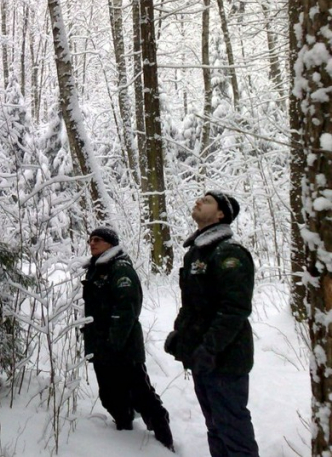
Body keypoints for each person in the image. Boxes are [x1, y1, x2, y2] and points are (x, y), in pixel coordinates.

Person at [165, 191, 259, 457]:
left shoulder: (230, 253)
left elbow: (235, 309)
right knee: (215, 426)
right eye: (198, 198)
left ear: (221, 214)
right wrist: (180, 335)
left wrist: (210, 348)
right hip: (202, 358)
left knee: (233, 428)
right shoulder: (196, 253)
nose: (197, 201)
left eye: (206, 201)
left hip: (226, 358)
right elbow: (192, 305)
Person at [82, 226, 174, 451]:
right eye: (90, 240)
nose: (92, 243)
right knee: (110, 394)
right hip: (101, 345)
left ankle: (164, 438)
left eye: (98, 240)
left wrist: (114, 342)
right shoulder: (97, 269)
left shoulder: (120, 269)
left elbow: (127, 309)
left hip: (123, 348)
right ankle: (124, 433)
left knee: (140, 393)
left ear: (111, 244)